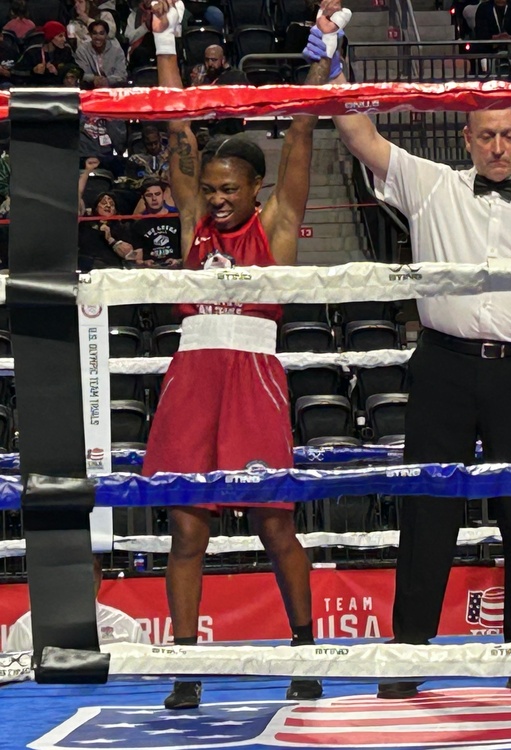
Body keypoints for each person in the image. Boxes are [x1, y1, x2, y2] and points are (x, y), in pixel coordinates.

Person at [311, 0, 511, 699]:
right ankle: (407, 656)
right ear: (467, 136)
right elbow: (360, 135)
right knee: (429, 510)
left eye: (508, 136)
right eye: (485, 135)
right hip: (445, 365)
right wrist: (332, 59)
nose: (496, 147)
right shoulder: (431, 187)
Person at [143, 0, 330, 710]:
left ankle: (306, 649)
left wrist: (324, 55)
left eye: (230, 190)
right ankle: (186, 666)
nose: (217, 199)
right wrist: (164, 37)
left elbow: (305, 134)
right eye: (211, 188)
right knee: (186, 528)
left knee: (275, 523)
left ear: (256, 190)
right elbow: (176, 124)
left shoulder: (277, 226)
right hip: (194, 373)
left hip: (252, 376)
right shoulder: (194, 220)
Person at [6, 557, 151, 651]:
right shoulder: (27, 627)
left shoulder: (128, 628)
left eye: (89, 583)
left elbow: (146, 675)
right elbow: (10, 678)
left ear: (100, 579)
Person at [78, 190, 137, 271]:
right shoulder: (85, 224)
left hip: (112, 270)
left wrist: (110, 239)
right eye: (103, 203)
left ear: (115, 211)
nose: (108, 205)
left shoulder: (122, 228)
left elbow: (129, 255)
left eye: (112, 204)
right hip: (87, 268)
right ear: (95, 207)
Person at [17, 21, 75, 86]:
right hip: (37, 90)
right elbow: (16, 72)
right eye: (60, 36)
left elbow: (75, 68)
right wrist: (33, 71)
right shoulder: (33, 52)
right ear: (50, 38)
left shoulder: (66, 50)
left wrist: (59, 71)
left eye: (64, 36)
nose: (64, 39)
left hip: (60, 88)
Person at [74, 19, 127, 88]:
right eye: (94, 33)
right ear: (90, 35)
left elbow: (121, 75)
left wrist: (107, 80)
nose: (98, 37)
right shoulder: (82, 50)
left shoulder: (117, 50)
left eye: (101, 33)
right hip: (89, 87)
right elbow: (81, 74)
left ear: (106, 35)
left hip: (112, 88)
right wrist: (94, 79)